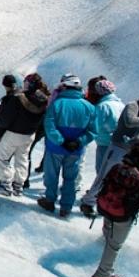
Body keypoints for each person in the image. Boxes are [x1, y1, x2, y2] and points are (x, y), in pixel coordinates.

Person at [82, 86, 139, 213]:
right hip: (118, 147)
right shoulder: (133, 106)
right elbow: (130, 121)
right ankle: (88, 201)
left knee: (119, 179)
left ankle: (107, 201)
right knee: (105, 175)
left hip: (132, 151)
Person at [91, 141, 139, 277]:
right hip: (122, 216)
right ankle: (103, 274)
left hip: (104, 207)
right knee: (115, 246)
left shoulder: (117, 168)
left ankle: (105, 240)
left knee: (108, 227)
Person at [37, 74, 96, 217]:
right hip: (75, 150)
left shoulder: (57, 103)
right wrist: (79, 141)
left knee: (52, 175)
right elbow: (93, 131)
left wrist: (61, 140)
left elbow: (49, 125)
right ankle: (66, 207)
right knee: (70, 178)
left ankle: (50, 200)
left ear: (64, 86)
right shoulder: (89, 107)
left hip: (55, 147)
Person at [0, 73, 48, 196]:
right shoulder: (43, 99)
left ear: (30, 84)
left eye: (26, 81)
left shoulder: (18, 97)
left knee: (1, 157)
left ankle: (6, 184)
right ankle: (18, 186)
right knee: (22, 159)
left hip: (14, 132)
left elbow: (7, 117)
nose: (24, 83)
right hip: (30, 134)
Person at [78, 78, 125, 216]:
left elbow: (94, 127)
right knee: (112, 175)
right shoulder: (120, 104)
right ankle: (104, 197)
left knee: (102, 173)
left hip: (105, 144)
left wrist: (82, 140)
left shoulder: (102, 106)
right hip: (119, 145)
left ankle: (93, 200)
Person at [0, 74, 18, 179]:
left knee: (2, 155)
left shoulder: (11, 97)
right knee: (3, 154)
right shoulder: (16, 94)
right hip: (9, 129)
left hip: (4, 130)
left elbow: (9, 115)